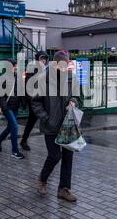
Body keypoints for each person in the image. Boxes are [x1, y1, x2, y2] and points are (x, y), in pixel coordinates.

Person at [31, 50, 80, 202]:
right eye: (60, 64)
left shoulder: (71, 78)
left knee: (68, 156)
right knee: (54, 155)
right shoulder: (44, 79)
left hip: (67, 123)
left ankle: (64, 189)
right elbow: (35, 101)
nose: (63, 67)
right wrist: (45, 118)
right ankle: (42, 179)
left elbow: (78, 96)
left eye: (65, 64)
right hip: (50, 124)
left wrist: (73, 101)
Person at [0, 59, 26, 159]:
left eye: (16, 66)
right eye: (14, 66)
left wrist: (23, 104)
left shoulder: (18, 77)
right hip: (7, 108)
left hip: (15, 106)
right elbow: (0, 95)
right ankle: (15, 151)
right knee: (15, 127)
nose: (16, 67)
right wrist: (4, 107)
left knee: (10, 127)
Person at [20, 51, 49, 151]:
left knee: (42, 119)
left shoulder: (47, 69)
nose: (43, 61)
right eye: (41, 59)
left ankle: (24, 140)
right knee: (32, 121)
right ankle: (23, 140)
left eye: (44, 59)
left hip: (44, 98)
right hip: (34, 99)